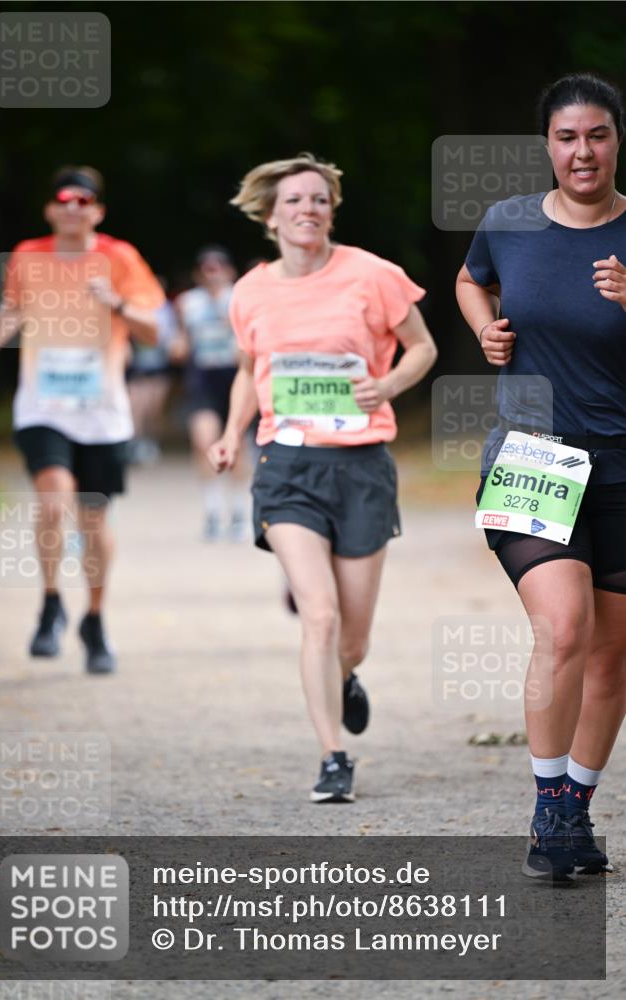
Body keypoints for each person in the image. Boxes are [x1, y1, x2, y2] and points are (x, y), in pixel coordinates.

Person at [208, 153, 438, 802]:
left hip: (362, 465)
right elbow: (248, 369)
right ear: (270, 216)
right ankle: (333, 756)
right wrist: (229, 435)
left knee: (352, 637)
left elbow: (422, 346)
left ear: (331, 210)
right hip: (286, 466)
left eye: (318, 200)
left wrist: (386, 384)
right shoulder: (250, 290)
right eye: (294, 201)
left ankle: (344, 678)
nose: (307, 210)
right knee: (320, 614)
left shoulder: (373, 276)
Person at [456, 74, 626, 879]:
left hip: (624, 467)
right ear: (547, 146)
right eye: (566, 137)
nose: (581, 151)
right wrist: (485, 325)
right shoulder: (508, 223)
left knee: (610, 655)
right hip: (532, 458)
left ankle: (575, 812)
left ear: (615, 140)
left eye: (595, 135)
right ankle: (547, 801)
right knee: (562, 629)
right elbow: (469, 277)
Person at [0, 166, 164, 673]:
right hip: (42, 405)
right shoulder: (28, 256)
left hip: (101, 410)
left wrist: (115, 302)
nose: (73, 207)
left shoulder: (119, 257)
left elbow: (154, 333)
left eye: (84, 200)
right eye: (63, 199)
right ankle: (51, 603)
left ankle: (94, 618)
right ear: (51, 209)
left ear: (98, 210)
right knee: (52, 503)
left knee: (92, 517)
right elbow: (13, 309)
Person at [175, 246, 251, 541]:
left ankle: (239, 513)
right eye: (206, 268)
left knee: (239, 447)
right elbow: (179, 345)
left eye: (218, 267)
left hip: (235, 381)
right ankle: (213, 511)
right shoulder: (187, 303)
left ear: (229, 271)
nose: (213, 273)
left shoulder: (241, 299)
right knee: (204, 442)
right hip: (202, 382)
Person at [126, 277, 180, 464]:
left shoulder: (166, 311)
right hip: (137, 368)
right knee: (136, 407)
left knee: (154, 409)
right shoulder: (131, 307)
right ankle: (135, 443)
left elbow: (171, 337)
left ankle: (150, 441)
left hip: (159, 367)